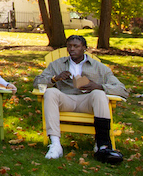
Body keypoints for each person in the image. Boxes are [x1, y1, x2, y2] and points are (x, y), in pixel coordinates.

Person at [34, 35, 129, 165]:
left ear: (84, 48)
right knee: (50, 92)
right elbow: (37, 82)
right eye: (69, 46)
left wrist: (99, 86)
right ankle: (55, 144)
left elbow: (122, 89)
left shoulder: (98, 67)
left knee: (99, 94)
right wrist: (54, 79)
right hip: (66, 99)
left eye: (76, 46)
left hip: (87, 101)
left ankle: (103, 145)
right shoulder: (57, 64)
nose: (72, 49)